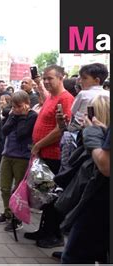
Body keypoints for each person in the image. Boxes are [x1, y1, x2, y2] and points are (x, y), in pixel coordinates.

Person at [25, 65, 74, 249]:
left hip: (55, 156)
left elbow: (61, 129)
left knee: (53, 196)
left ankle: (55, 235)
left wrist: (38, 144)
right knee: (44, 195)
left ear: (61, 78)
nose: (46, 81)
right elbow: (43, 95)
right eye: (44, 78)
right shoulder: (52, 97)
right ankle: (44, 230)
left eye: (49, 78)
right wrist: (38, 82)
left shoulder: (66, 98)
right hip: (44, 154)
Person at [61, 94, 109, 263]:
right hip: (92, 201)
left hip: (96, 202)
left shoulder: (96, 135)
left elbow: (105, 166)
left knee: (74, 255)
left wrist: (92, 132)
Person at [0, 91, 37, 231]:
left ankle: (17, 219)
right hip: (7, 154)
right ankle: (7, 213)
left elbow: (21, 133)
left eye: (19, 106)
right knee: (5, 188)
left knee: (18, 190)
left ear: (26, 104)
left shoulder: (32, 116)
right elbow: (4, 130)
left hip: (22, 157)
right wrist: (13, 116)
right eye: (14, 106)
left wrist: (21, 116)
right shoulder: (13, 115)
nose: (16, 109)